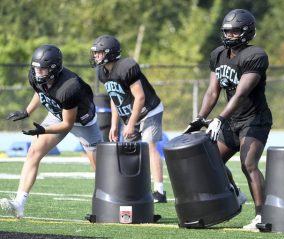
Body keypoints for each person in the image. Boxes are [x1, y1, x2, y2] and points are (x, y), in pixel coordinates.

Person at [185, 9, 272, 229]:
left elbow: (241, 93)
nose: (229, 35)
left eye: (234, 31)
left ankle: (262, 217)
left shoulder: (256, 56)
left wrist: (220, 118)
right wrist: (200, 117)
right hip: (231, 121)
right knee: (210, 162)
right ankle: (235, 194)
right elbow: (212, 92)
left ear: (246, 32)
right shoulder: (218, 54)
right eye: (227, 31)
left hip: (254, 119)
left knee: (248, 163)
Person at [0, 44, 102, 218]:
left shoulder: (70, 87)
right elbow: (40, 92)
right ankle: (19, 203)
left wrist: (44, 130)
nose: (38, 73)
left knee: (101, 169)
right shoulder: (36, 75)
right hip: (57, 113)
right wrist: (27, 111)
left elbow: (68, 124)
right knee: (33, 152)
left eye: (43, 70)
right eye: (36, 69)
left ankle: (105, 208)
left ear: (54, 69)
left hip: (82, 122)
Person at [90, 35, 166, 203]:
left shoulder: (125, 67)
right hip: (130, 115)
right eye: (96, 53)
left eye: (100, 53)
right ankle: (128, 188)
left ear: (110, 53)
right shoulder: (103, 73)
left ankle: (159, 191)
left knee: (149, 145)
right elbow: (115, 97)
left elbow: (140, 98)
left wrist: (130, 125)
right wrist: (114, 125)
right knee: (126, 151)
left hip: (149, 111)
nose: (96, 56)